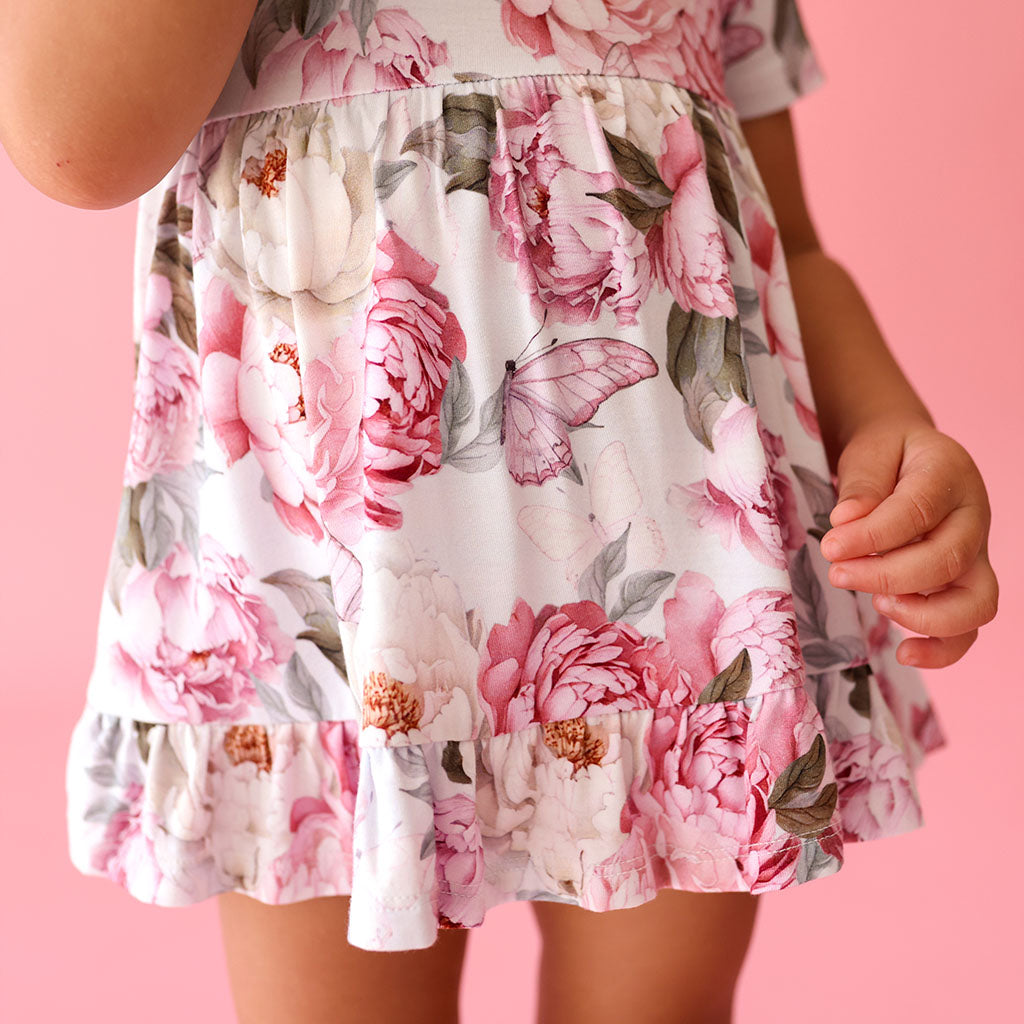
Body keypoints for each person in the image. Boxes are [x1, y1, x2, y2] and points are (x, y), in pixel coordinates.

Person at [1, 2, 999, 1022]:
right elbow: (74, 135)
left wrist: (883, 420)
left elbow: (782, 235)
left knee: (657, 1002)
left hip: (671, 576)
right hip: (325, 596)